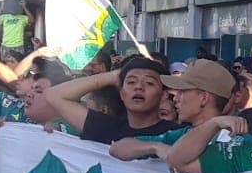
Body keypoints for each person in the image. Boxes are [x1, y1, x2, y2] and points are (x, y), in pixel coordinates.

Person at [107, 60, 235, 163]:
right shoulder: (179, 135)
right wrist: (156, 147)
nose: (175, 99)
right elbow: (117, 148)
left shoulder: (235, 142)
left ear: (203, 98)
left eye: (182, 91)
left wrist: (176, 157)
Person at [46, 56, 181, 143]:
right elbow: (54, 95)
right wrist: (112, 76)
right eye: (131, 82)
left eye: (149, 83)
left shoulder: (179, 135)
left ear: (163, 95)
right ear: (121, 93)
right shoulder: (104, 127)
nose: (139, 87)